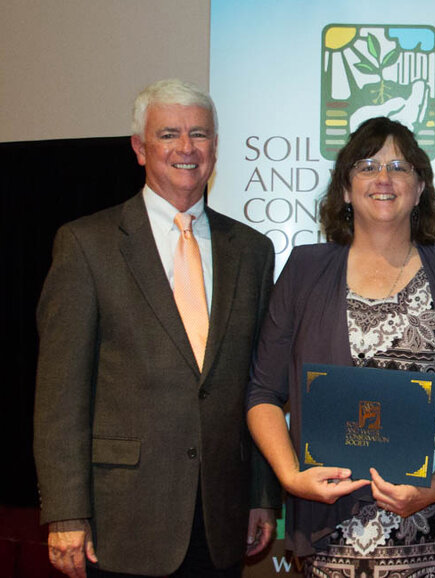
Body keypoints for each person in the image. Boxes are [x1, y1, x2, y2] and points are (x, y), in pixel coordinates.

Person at [34, 78, 280, 577]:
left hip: (221, 518)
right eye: (169, 134)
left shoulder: (253, 251)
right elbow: (60, 395)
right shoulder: (87, 245)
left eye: (200, 134)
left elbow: (258, 386)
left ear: (216, 147)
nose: (186, 148)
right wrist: (65, 511)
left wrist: (261, 495)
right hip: (121, 521)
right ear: (139, 149)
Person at [247, 116, 435, 575]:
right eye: (367, 166)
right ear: (345, 189)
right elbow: (262, 393)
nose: (384, 178)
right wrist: (290, 476)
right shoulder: (305, 270)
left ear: (420, 186)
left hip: (432, 537)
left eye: (400, 167)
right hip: (333, 539)